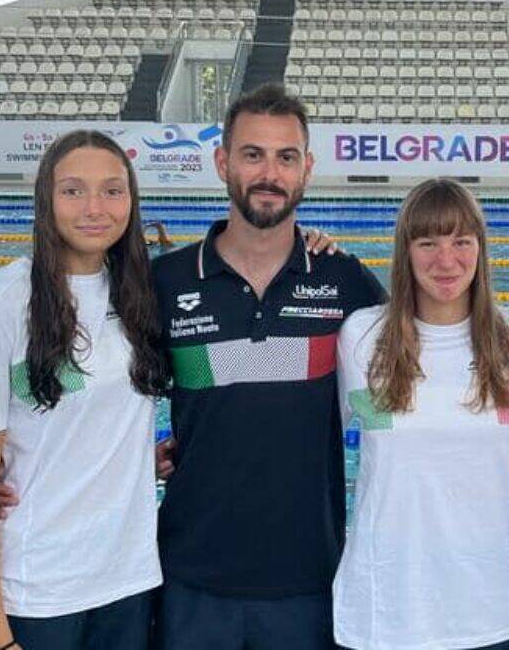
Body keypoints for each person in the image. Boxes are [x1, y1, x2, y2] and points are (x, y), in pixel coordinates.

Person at [149, 84, 387, 648]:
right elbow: (101, 386)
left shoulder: (346, 283)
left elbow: (415, 389)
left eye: (285, 157)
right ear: (222, 161)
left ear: (307, 168)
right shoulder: (167, 282)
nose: (269, 173)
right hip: (190, 577)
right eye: (252, 154)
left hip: (309, 580)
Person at [0, 130, 169, 650]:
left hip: (130, 581)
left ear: (131, 201)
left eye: (112, 190)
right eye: (74, 190)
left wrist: (145, 454)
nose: (95, 207)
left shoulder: (140, 296)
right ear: (46, 199)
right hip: (38, 592)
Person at [334, 178, 509, 650]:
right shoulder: (362, 336)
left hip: (485, 610)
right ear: (405, 251)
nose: (446, 259)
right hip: (382, 612)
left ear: (480, 247)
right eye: (428, 241)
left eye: (461, 241)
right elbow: (307, 448)